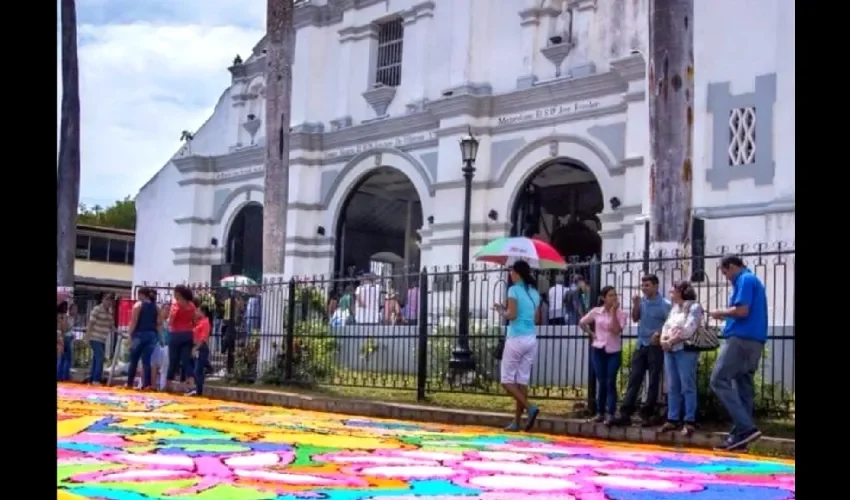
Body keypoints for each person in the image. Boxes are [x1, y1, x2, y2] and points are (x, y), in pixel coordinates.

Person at [709, 255, 768, 451]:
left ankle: (747, 428)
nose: (726, 277)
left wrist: (721, 313)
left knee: (718, 380)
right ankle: (739, 438)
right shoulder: (752, 280)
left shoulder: (745, 279)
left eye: (725, 272)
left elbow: (742, 311)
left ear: (732, 266)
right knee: (743, 386)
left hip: (742, 340)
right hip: (754, 341)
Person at [612, 274, 671, 427]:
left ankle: (647, 412)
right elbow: (635, 318)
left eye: (647, 285)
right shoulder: (642, 301)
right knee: (634, 378)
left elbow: (670, 323)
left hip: (655, 346)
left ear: (656, 286)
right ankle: (625, 413)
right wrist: (636, 305)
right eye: (643, 285)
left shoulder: (664, 304)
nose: (644, 288)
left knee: (653, 380)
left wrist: (659, 333)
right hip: (641, 344)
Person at [493, 260, 542, 432]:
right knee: (521, 381)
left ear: (518, 273)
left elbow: (512, 315)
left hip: (516, 338)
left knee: (506, 380)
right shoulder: (535, 293)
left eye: (512, 272)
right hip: (531, 338)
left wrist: (501, 311)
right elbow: (537, 319)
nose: (510, 275)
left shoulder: (513, 290)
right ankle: (517, 422)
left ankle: (530, 408)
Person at [658, 281, 702, 436]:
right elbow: (666, 326)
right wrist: (663, 339)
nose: (671, 293)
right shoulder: (674, 308)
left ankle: (690, 420)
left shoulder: (694, 307)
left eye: (673, 291)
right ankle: (672, 418)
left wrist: (670, 341)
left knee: (687, 384)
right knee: (672, 385)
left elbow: (689, 329)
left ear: (682, 291)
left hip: (684, 350)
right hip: (669, 350)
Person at [580, 285, 627, 425]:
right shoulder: (596, 311)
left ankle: (611, 413)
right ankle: (600, 412)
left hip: (613, 351)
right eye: (610, 295)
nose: (614, 298)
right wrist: (592, 334)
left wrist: (613, 312)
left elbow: (616, 330)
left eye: (615, 295)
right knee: (602, 381)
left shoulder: (621, 313)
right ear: (603, 298)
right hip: (598, 350)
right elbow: (582, 322)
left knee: (610, 381)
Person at [126, 287, 160, 389]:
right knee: (147, 361)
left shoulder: (138, 305)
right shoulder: (156, 307)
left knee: (134, 360)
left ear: (141, 294)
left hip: (139, 334)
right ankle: (147, 385)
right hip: (152, 336)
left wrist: (129, 334)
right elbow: (159, 322)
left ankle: (129, 383)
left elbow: (134, 321)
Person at [167, 285, 198, 385]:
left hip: (176, 334)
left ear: (178, 294)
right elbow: (194, 321)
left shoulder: (176, 305)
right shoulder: (192, 305)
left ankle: (168, 382)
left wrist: (168, 322)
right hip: (188, 334)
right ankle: (192, 381)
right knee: (186, 360)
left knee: (173, 359)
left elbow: (171, 320)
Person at [83, 292, 115, 385]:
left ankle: (92, 379)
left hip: (103, 339)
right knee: (100, 358)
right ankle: (96, 379)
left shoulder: (110, 312)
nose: (109, 302)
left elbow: (111, 325)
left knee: (96, 359)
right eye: (107, 299)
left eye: (111, 300)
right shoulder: (96, 309)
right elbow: (91, 323)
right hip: (94, 337)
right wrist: (87, 336)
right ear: (103, 300)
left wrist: (119, 332)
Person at [186, 305, 212, 396]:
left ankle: (199, 391)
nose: (196, 313)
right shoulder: (199, 322)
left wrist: (196, 348)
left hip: (200, 348)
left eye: (198, 311)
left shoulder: (205, 322)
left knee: (197, 370)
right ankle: (195, 388)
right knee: (193, 369)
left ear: (203, 312)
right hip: (195, 347)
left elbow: (203, 338)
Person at [151, 302, 171, 391]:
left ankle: (162, 386)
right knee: (154, 365)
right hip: (158, 345)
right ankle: (153, 386)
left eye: (169, 310)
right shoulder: (159, 321)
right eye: (166, 309)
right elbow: (159, 331)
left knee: (165, 367)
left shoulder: (168, 323)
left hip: (166, 346)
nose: (168, 311)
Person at [57, 301, 71, 372]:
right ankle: (60, 376)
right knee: (61, 357)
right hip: (60, 336)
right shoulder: (63, 316)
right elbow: (64, 328)